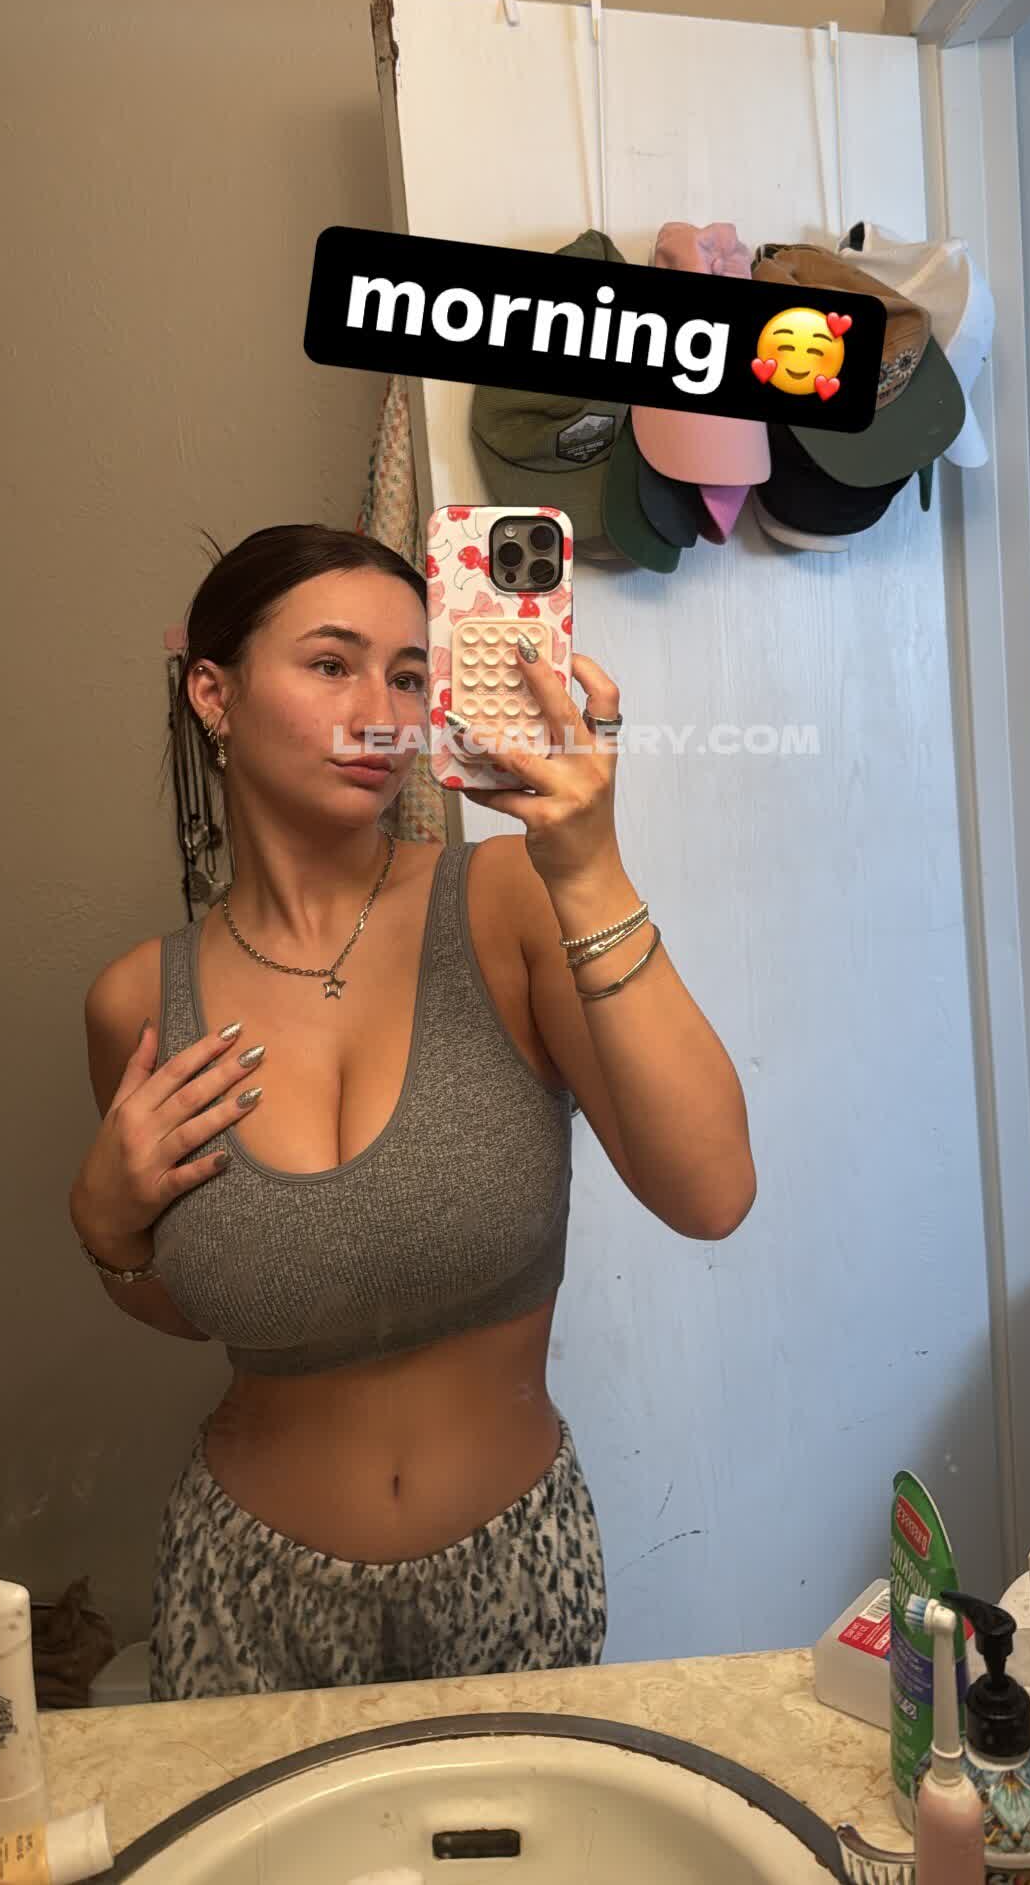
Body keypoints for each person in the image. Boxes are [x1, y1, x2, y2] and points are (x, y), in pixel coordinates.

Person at [69, 523, 755, 1699]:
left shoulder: (509, 902)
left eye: (405, 675)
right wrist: (106, 1226)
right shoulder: (138, 1001)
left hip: (516, 1574)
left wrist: (589, 867)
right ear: (214, 694)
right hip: (242, 1591)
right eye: (332, 664)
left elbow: (712, 1193)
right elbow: (199, 1299)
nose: (381, 711)